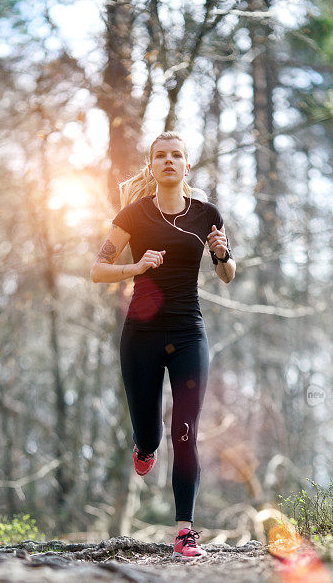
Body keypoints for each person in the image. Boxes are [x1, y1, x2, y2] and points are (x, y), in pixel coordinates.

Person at [90, 131, 236, 558]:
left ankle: (185, 531)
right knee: (152, 436)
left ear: (187, 166)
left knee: (185, 433)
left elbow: (227, 276)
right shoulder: (132, 215)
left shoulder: (207, 214)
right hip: (142, 334)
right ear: (151, 167)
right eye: (161, 156)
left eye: (176, 156)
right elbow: (98, 269)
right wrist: (137, 264)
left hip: (190, 332)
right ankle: (144, 448)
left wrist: (222, 254)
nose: (169, 161)